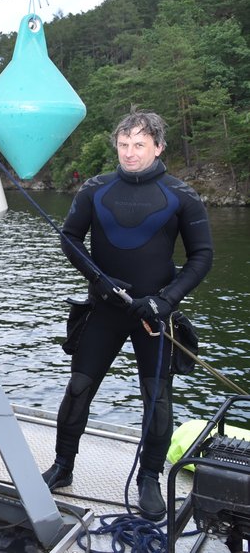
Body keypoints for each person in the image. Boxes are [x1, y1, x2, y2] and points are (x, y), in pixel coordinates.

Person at [42, 110, 213, 521]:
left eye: (139, 145)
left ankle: (149, 479)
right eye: (124, 144)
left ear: (158, 147)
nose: (130, 153)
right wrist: (98, 281)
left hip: (153, 313)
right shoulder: (95, 189)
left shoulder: (181, 194)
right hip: (104, 309)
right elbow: (70, 238)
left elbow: (202, 256)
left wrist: (165, 300)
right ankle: (63, 466)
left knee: (156, 398)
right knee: (80, 386)